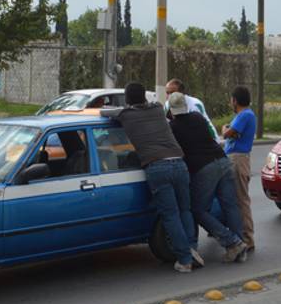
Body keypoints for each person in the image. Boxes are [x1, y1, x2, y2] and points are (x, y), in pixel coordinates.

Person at [101, 82, 201, 273]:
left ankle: (185, 260)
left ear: (128, 99)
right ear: (145, 97)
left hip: (157, 166)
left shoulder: (125, 115)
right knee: (185, 210)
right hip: (180, 163)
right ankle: (193, 249)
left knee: (170, 215)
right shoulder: (156, 109)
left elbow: (106, 114)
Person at [167, 91, 248, 263]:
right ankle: (241, 247)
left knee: (198, 210)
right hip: (222, 160)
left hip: (204, 168)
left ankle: (232, 242)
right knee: (230, 205)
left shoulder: (173, 127)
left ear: (171, 110)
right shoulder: (197, 117)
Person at [222, 85, 257, 252]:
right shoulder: (243, 116)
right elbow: (234, 133)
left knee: (241, 200)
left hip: (238, 160)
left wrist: (225, 129)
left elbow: (227, 134)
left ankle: (247, 238)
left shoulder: (245, 115)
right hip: (235, 159)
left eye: (231, 99)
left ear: (235, 100)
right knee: (233, 198)